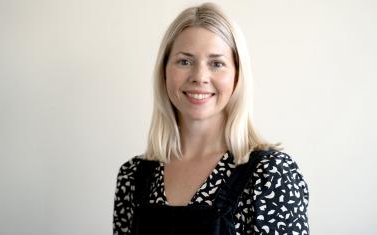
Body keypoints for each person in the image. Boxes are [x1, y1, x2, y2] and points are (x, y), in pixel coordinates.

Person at [113, 2, 309, 234]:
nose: (200, 77)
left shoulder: (270, 174)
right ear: (164, 70)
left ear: (237, 75)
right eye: (184, 61)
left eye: (217, 64)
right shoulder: (133, 175)